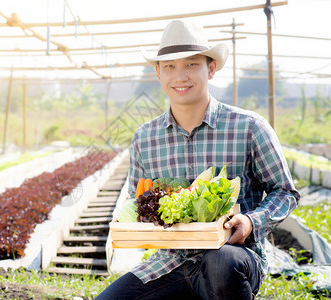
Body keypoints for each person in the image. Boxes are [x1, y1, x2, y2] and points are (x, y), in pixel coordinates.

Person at [96, 19, 300, 299]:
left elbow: (285, 192)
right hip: (169, 263)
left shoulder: (249, 126)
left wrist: (252, 221)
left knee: (220, 264)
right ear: (158, 72)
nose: (180, 76)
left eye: (191, 64)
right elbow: (137, 201)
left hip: (233, 256)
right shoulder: (146, 138)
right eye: (169, 66)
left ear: (211, 68)